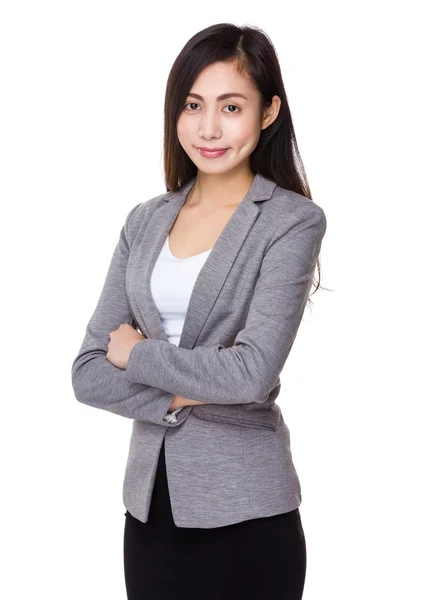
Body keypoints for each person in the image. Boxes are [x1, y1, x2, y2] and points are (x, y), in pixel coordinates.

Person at [71, 22, 328, 600]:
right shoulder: (144, 220)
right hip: (148, 511)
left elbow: (253, 372)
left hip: (248, 511)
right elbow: (87, 373)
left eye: (231, 106)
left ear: (267, 113)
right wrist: (200, 385)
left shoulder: (290, 221)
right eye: (193, 105)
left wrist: (136, 354)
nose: (209, 128)